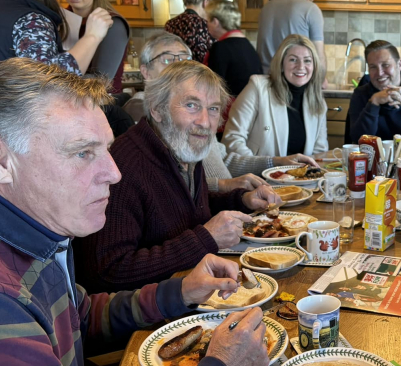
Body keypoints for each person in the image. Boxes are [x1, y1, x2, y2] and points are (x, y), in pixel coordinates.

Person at [0, 58, 270, 366]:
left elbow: (81, 317)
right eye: (83, 152)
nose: (114, 173)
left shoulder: (41, 238)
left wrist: (180, 291)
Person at [74, 60, 282, 292]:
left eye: (213, 108)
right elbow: (108, 272)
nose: (205, 121)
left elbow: (184, 210)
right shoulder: (125, 167)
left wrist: (241, 200)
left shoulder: (182, 146)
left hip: (195, 290)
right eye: (192, 105)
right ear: (157, 109)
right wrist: (206, 238)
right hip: (148, 320)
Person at [124, 32, 318, 191]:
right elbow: (166, 186)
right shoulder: (141, 111)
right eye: (167, 59)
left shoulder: (199, 114)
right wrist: (224, 186)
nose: (178, 66)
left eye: (184, 58)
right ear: (145, 71)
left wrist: (276, 162)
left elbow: (225, 159)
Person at [223, 34, 328, 157]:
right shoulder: (258, 87)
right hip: (258, 174)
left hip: (301, 175)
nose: (300, 66)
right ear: (281, 64)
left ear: (314, 66)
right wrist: (260, 166)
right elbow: (232, 138)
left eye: (307, 60)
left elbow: (320, 153)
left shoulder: (318, 101)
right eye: (293, 59)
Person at [58, 0, 130, 91]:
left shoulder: (112, 23)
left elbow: (100, 82)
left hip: (101, 106)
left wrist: (52, 77)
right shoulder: (58, 20)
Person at [256, 0, 326, 69]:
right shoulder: (311, 9)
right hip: (291, 79)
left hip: (264, 79)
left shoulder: (266, 7)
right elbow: (319, 56)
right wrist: (321, 80)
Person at [205, 0, 262, 96]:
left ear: (215, 22)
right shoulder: (247, 45)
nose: (206, 25)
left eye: (207, 21)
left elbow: (213, 87)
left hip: (231, 108)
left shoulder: (220, 48)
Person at [165, 0, 215, 64]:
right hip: (199, 74)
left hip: (175, 73)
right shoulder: (205, 25)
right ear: (206, 2)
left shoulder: (170, 24)